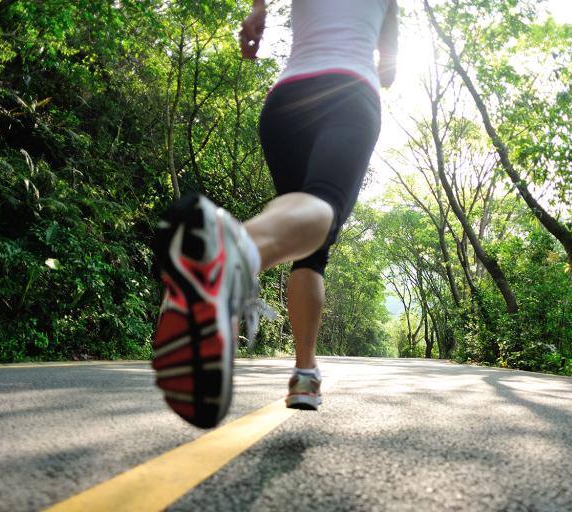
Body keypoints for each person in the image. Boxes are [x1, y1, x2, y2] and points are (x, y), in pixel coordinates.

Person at [150, 0, 399, 428]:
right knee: (323, 208)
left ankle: (304, 373)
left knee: (303, 235)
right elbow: (389, 68)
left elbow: (256, 18)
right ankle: (231, 254)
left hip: (286, 101)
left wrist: (257, 12)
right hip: (348, 91)